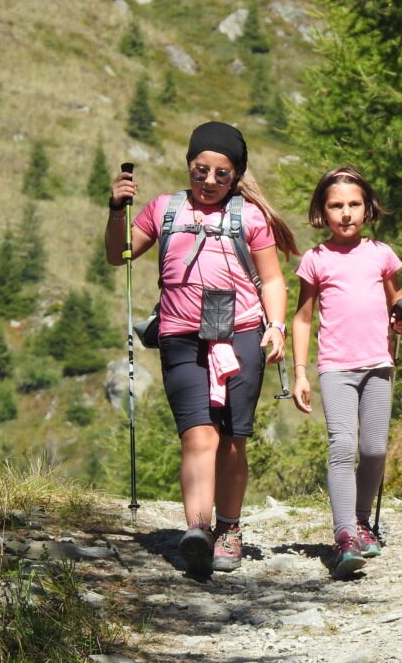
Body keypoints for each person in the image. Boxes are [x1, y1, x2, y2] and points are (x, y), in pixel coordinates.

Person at [105, 121, 296, 576]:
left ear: (236, 175)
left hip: (243, 335)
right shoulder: (162, 211)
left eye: (221, 174)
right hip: (180, 336)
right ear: (189, 167)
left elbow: (271, 279)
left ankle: (229, 528)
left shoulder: (249, 217)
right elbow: (120, 255)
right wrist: (116, 209)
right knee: (198, 434)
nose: (209, 181)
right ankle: (198, 528)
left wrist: (277, 327)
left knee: (232, 439)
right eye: (200, 171)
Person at [291, 165, 402, 578]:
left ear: (368, 209)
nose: (345, 213)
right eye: (336, 206)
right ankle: (345, 535)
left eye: (353, 204)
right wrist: (300, 372)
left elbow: (398, 302)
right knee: (342, 446)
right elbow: (304, 318)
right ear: (322, 213)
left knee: (375, 449)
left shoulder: (381, 254)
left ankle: (362, 522)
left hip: (378, 364)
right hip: (337, 367)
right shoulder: (315, 260)